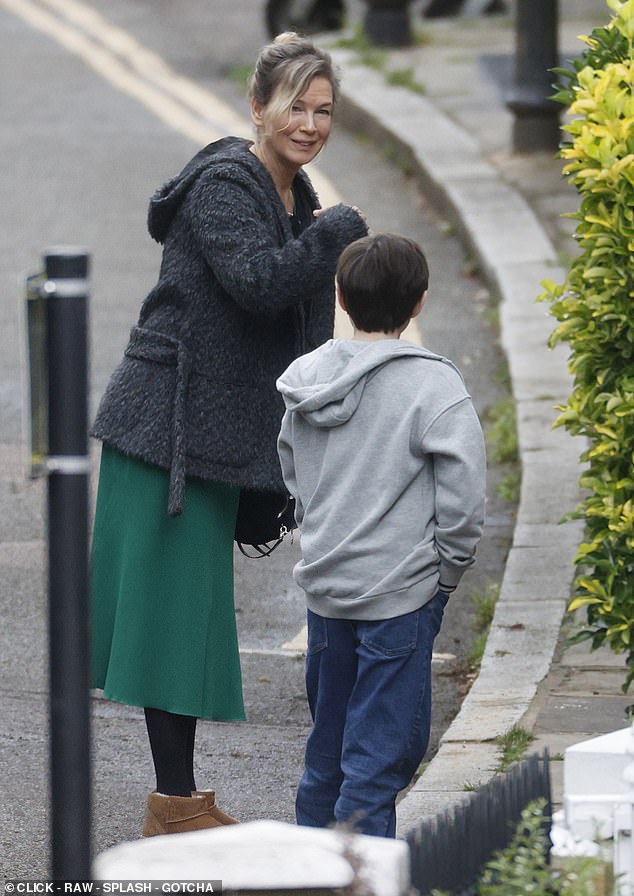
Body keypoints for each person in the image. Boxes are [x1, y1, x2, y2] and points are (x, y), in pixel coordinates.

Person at [89, 31, 368, 838]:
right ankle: (173, 804)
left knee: (190, 620)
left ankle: (178, 797)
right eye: (295, 107)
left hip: (217, 438)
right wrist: (334, 235)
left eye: (323, 111)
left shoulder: (299, 198)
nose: (311, 125)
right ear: (257, 107)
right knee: (171, 621)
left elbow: (303, 330)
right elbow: (256, 284)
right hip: (165, 429)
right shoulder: (225, 185)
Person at [276, 233, 486, 837]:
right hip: (400, 595)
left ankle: (309, 873)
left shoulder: (305, 379)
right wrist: (446, 574)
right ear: (418, 303)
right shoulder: (433, 386)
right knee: (377, 758)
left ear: (339, 296)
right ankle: (360, 878)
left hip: (326, 591)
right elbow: (463, 501)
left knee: (328, 752)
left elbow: (293, 473)